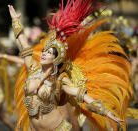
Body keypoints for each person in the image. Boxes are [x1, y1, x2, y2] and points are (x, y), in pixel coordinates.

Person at [8, 0, 134, 130]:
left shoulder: (59, 79)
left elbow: (82, 96)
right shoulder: (32, 67)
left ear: (55, 59)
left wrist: (107, 112)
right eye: (45, 51)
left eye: (50, 52)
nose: (44, 54)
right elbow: (23, 42)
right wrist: (15, 21)